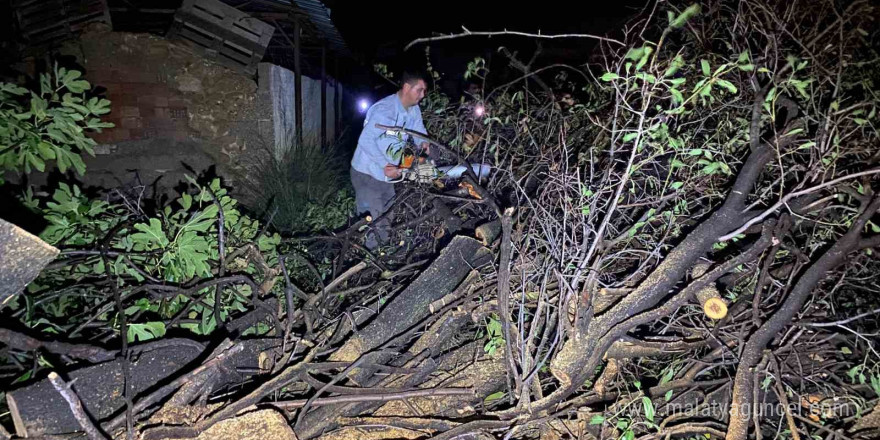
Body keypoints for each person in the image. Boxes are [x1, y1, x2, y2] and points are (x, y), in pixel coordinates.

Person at [351, 70, 431, 250]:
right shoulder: (384, 110)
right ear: (406, 87)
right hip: (367, 173)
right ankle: (366, 263)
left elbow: (418, 131)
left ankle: (383, 254)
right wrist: (384, 165)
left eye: (424, 91)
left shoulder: (413, 109)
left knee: (387, 216)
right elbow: (366, 140)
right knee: (373, 220)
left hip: (387, 175)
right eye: (419, 90)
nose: (423, 95)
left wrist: (424, 143)